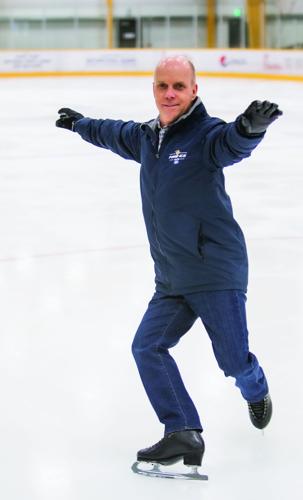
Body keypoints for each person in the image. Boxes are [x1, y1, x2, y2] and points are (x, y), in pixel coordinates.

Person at [56, 55, 282, 477]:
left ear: (194, 90)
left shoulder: (206, 135)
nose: (170, 94)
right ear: (154, 89)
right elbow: (114, 133)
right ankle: (182, 430)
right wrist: (80, 124)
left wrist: (250, 129)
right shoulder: (148, 137)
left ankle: (257, 387)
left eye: (179, 86)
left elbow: (231, 144)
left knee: (233, 363)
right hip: (173, 276)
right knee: (147, 346)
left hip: (214, 271)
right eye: (163, 86)